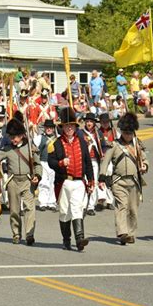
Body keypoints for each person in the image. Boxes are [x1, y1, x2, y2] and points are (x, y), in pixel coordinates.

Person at [0, 111, 42, 245]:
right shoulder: (7, 149)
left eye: (16, 137)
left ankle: (29, 234)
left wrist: (38, 176)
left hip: (27, 180)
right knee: (14, 210)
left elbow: (37, 164)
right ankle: (16, 234)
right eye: (11, 137)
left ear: (22, 135)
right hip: (13, 181)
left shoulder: (31, 147)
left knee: (30, 208)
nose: (13, 140)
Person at [48, 107, 94, 251]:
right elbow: (51, 162)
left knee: (76, 208)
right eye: (66, 126)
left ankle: (80, 239)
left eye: (71, 125)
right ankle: (66, 239)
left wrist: (91, 180)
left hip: (79, 181)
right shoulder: (55, 144)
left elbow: (87, 162)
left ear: (75, 127)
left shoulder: (82, 142)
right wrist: (61, 163)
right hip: (64, 182)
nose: (69, 128)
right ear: (62, 127)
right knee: (64, 212)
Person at [99, 113, 148, 245]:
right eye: (126, 133)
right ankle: (122, 233)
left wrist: (144, 166)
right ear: (122, 132)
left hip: (134, 181)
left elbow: (144, 159)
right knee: (121, 207)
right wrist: (102, 177)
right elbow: (105, 161)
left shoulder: (137, 145)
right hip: (118, 181)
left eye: (130, 133)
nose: (128, 135)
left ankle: (131, 233)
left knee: (133, 209)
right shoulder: (114, 145)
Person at [34, 119, 58, 212]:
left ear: (53, 129)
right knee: (43, 182)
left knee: (52, 183)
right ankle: (43, 202)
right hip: (43, 162)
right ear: (44, 128)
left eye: (50, 128)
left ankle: (51, 202)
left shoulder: (57, 138)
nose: (49, 129)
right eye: (47, 127)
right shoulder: (39, 138)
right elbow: (33, 147)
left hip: (54, 163)